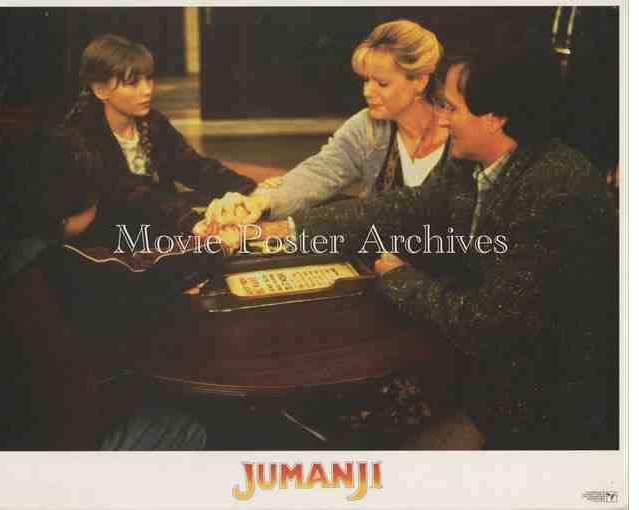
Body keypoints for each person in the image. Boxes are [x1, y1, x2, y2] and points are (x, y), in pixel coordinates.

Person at [216, 48, 619, 450]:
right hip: (473, 365)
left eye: (452, 108)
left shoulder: (556, 190)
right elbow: (399, 209)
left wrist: (400, 278)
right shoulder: (472, 161)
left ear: (495, 119)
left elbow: (486, 324)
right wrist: (278, 230)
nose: (442, 119)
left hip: (539, 405)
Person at [0, 34, 256, 450]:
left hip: (154, 244)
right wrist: (205, 234)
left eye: (149, 79)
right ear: (100, 89)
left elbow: (193, 167)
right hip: (120, 250)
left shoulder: (149, 124)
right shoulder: (75, 146)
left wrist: (251, 192)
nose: (146, 89)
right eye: (133, 81)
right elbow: (129, 199)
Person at [194, 19, 448, 233]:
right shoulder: (367, 126)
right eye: (365, 80)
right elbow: (319, 172)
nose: (367, 91)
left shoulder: (459, 133)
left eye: (382, 83)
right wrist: (260, 202)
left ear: (419, 81)